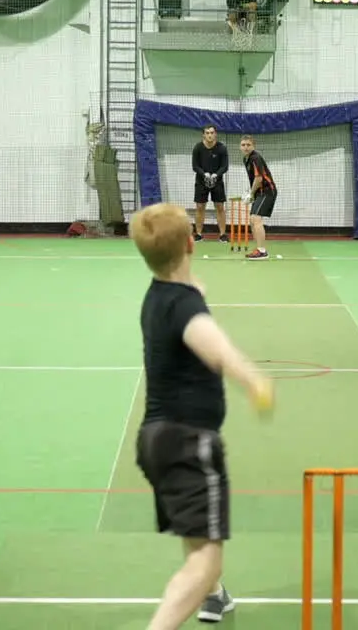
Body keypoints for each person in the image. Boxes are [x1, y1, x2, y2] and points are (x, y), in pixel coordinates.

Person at [128, 202, 274, 629]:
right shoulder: (188, 311)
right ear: (192, 242)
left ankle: (215, 595)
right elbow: (218, 349)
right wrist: (255, 382)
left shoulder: (158, 298)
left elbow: (186, 298)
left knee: (199, 536)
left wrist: (194, 289)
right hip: (189, 441)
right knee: (205, 561)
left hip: (156, 439)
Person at [239, 135, 277, 261]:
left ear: (253, 146)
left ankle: (262, 251)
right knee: (252, 219)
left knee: (256, 218)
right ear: (240, 146)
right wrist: (252, 194)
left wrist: (251, 193)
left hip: (267, 191)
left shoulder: (255, 157)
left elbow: (259, 178)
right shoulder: (246, 159)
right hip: (259, 192)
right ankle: (258, 249)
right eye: (243, 145)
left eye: (248, 145)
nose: (245, 147)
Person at [191, 126, 229, 243]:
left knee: (220, 207)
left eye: (212, 133)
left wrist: (216, 175)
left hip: (217, 181)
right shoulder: (198, 147)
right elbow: (195, 166)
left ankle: (222, 234)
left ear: (215, 134)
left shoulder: (222, 148)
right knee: (200, 207)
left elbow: (225, 166)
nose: (210, 135)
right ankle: (198, 234)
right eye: (207, 133)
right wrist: (204, 174)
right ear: (203, 135)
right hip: (201, 181)